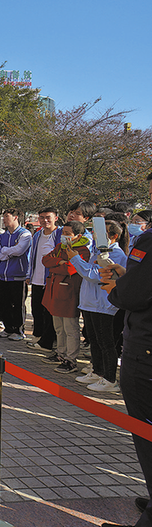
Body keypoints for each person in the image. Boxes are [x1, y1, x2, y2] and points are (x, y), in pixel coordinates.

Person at [100, 173, 152, 527]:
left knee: (147, 433)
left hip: (146, 352)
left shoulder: (149, 240)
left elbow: (133, 295)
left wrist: (116, 288)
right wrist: (126, 275)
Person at [66, 219, 127, 390]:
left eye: (100, 233)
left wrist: (75, 259)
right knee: (94, 339)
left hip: (105, 305)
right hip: (90, 303)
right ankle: (97, 371)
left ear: (113, 236)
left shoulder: (116, 254)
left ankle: (109, 379)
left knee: (106, 342)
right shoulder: (97, 251)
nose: (94, 236)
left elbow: (95, 274)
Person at [41, 221, 90, 374]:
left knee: (70, 329)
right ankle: (60, 353)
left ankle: (71, 359)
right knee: (59, 328)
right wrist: (60, 261)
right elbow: (45, 260)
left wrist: (60, 264)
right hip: (55, 292)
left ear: (78, 236)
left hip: (69, 293)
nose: (64, 237)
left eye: (68, 234)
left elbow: (70, 268)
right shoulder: (60, 247)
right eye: (64, 233)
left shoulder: (82, 251)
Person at [0, 209, 32, 341]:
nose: (4, 220)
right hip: (2, 275)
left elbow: (19, 250)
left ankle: (19, 330)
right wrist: (8, 252)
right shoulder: (1, 236)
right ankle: (8, 328)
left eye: (7, 217)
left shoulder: (24, 234)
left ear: (16, 218)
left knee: (18, 304)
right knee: (3, 304)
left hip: (18, 275)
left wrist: (5, 252)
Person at [26, 207, 62, 351]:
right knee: (36, 309)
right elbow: (33, 256)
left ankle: (48, 342)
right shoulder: (37, 235)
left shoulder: (60, 234)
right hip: (36, 278)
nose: (45, 220)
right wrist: (30, 275)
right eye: (41, 217)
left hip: (51, 279)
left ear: (56, 218)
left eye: (48, 217)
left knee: (49, 312)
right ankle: (37, 335)